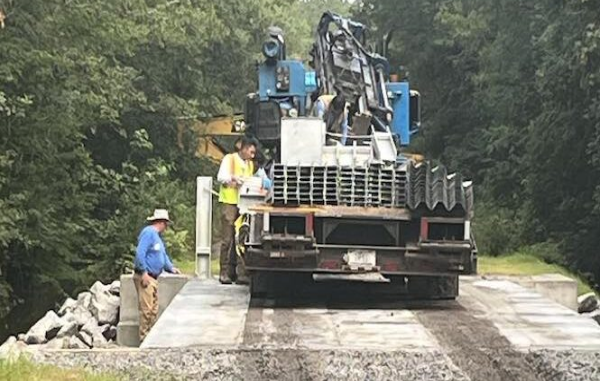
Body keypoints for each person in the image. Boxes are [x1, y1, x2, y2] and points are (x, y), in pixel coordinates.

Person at [133, 209, 180, 342]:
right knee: (146, 310)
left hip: (154, 277)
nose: (166, 227)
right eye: (166, 224)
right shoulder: (148, 233)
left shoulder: (157, 238)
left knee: (153, 310)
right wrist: (143, 273)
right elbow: (140, 253)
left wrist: (170, 268)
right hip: (146, 276)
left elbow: (162, 256)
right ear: (161, 222)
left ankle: (150, 338)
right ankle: (144, 338)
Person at [217, 136, 257, 284]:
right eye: (251, 152)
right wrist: (233, 178)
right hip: (229, 202)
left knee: (241, 238)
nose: (252, 155)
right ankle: (224, 272)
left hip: (243, 203)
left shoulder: (250, 164)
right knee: (227, 239)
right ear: (244, 148)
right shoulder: (230, 159)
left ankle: (239, 273)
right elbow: (221, 177)